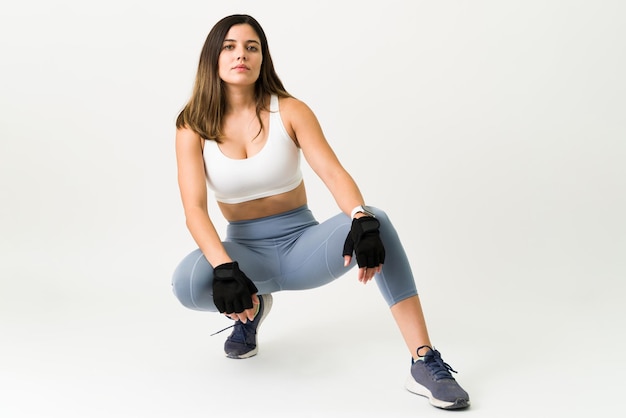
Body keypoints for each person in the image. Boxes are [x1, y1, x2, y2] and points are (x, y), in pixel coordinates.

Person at [171, 14, 470, 410]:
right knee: (187, 283)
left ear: (263, 58)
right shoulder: (192, 125)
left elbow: (331, 171)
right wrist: (226, 269)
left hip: (302, 247)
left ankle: (423, 359)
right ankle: (250, 309)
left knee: (375, 221)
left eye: (251, 47)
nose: (240, 54)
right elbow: (194, 209)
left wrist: (360, 217)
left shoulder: (290, 111)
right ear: (213, 57)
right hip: (247, 257)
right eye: (229, 46)